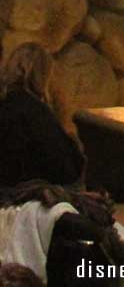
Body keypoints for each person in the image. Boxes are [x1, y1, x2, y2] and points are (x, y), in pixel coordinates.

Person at [0, 44, 84, 190]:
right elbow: (65, 170)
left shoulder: (6, 103)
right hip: (23, 196)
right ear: (43, 75)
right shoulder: (35, 111)